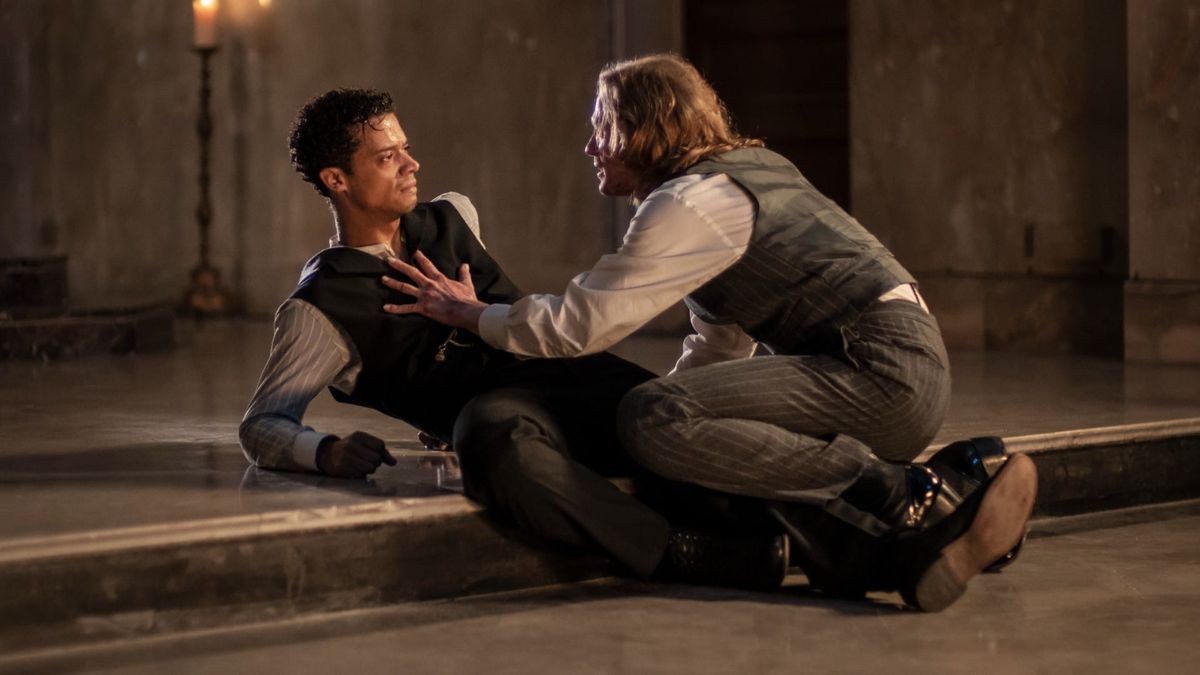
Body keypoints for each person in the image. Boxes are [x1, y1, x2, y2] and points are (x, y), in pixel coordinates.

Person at [382, 55, 1037, 611]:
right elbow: (719, 342)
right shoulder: (734, 178)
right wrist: (663, 438)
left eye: (600, 129)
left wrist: (471, 315)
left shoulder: (687, 202)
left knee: (649, 413)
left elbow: (582, 321)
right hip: (893, 365)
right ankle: (940, 512)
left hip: (882, 373)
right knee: (659, 419)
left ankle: (901, 491)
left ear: (640, 129)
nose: (589, 148)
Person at [239, 87, 792, 592]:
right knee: (499, 445)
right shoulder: (317, 308)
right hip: (504, 417)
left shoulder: (455, 215)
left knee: (680, 428)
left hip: (576, 372)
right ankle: (680, 555)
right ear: (337, 180)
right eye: (388, 158)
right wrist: (325, 451)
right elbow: (262, 424)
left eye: (405, 148)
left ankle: (823, 535)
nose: (412, 164)